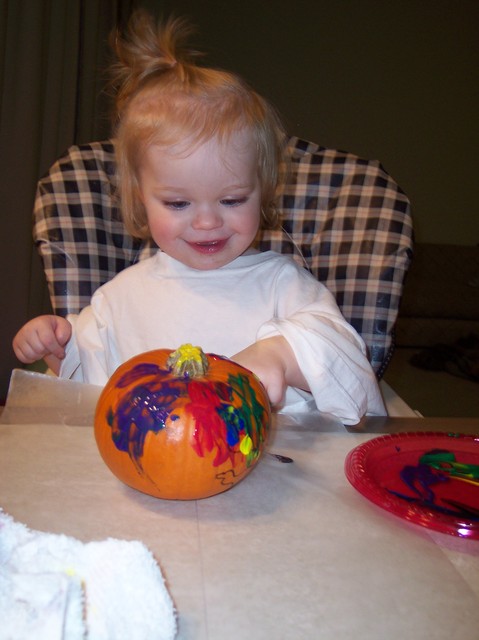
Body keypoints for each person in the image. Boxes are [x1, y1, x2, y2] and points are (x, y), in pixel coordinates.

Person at [13, 11, 386, 424]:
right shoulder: (117, 300)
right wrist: (60, 351)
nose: (207, 223)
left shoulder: (283, 284)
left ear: (262, 190)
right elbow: (89, 389)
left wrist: (280, 354)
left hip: (277, 470)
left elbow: (345, 361)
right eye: (177, 204)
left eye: (231, 200)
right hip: (153, 466)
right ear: (142, 199)